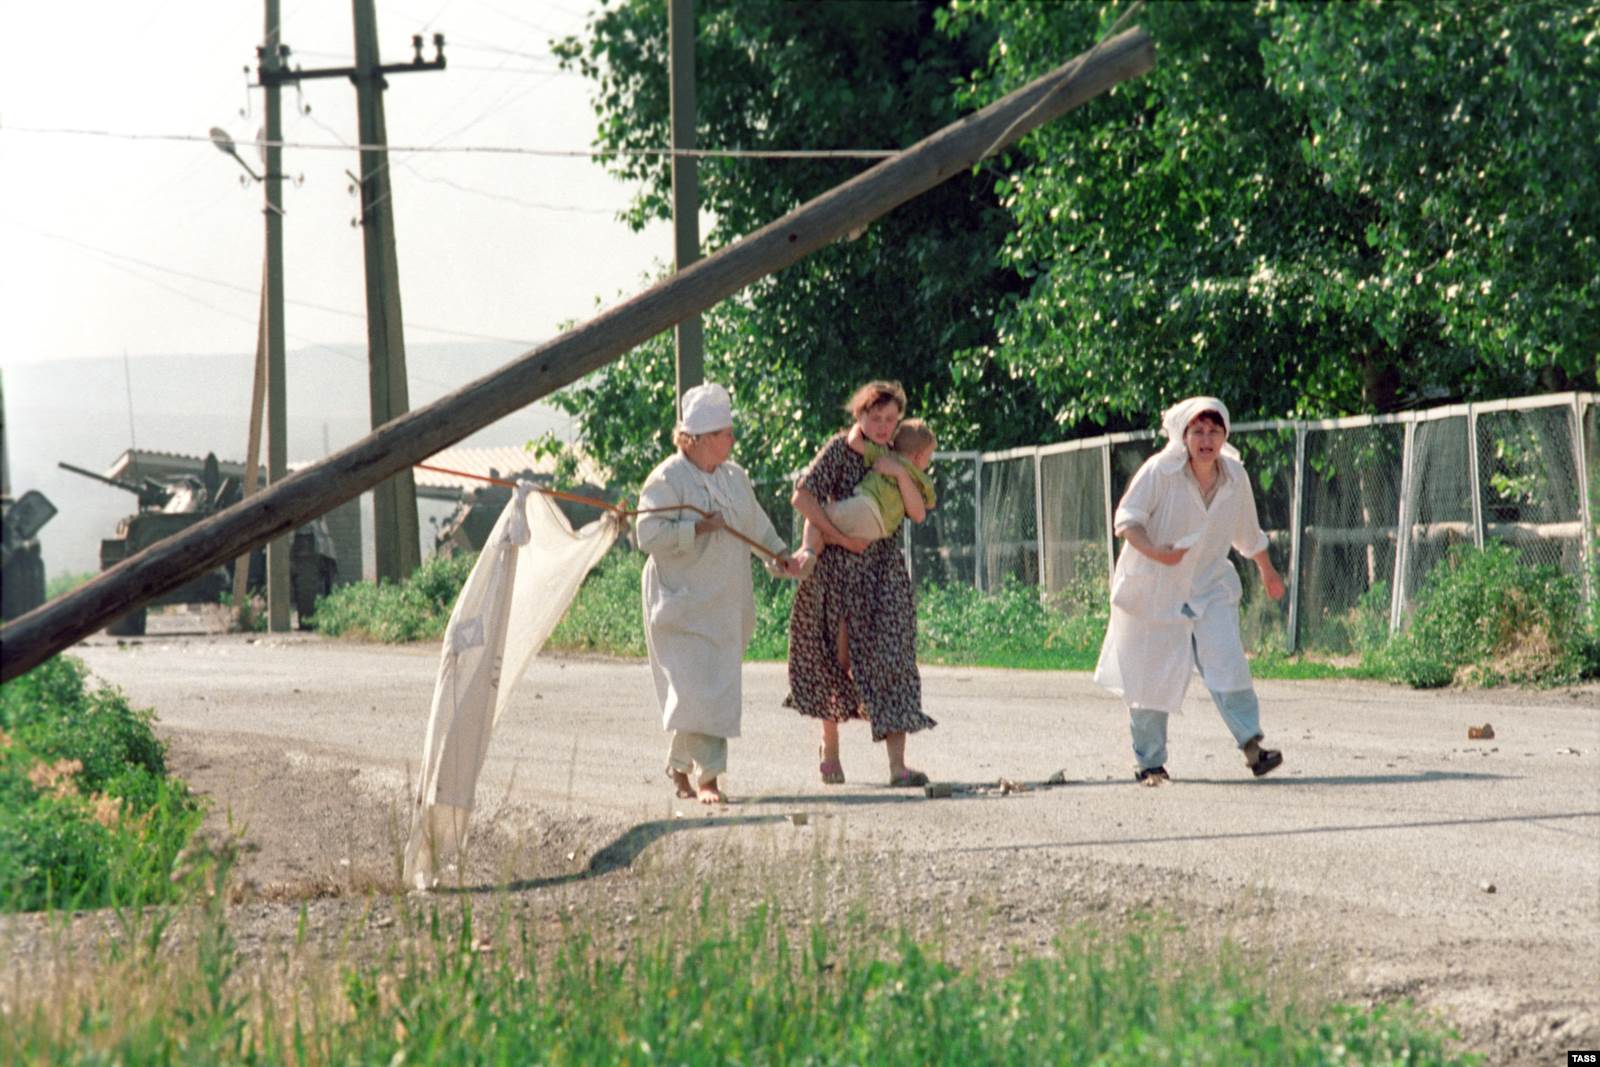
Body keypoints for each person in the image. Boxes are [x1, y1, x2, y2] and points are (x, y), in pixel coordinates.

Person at [1093, 396, 1287, 786]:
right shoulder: (1160, 472)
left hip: (1210, 584)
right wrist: (1156, 554)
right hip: (1155, 587)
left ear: (1224, 435)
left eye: (1214, 431)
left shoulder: (1234, 477)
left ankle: (1253, 747)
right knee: (1152, 674)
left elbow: (1247, 533)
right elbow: (1126, 522)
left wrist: (1267, 572)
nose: (1206, 439)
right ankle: (1150, 762)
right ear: (1184, 435)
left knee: (1227, 659)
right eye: (1198, 430)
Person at [636, 382, 799, 805]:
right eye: (725, 434)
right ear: (699, 439)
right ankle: (709, 777)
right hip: (681, 601)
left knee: (712, 687)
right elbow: (646, 533)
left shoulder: (735, 477)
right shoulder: (667, 478)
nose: (732, 440)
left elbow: (756, 524)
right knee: (696, 688)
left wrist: (778, 553)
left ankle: (678, 765)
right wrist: (696, 528)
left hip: (725, 600)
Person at [787, 381, 937, 787]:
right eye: (876, 418)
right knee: (834, 662)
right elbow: (803, 498)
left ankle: (897, 766)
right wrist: (836, 539)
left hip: (882, 572)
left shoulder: (897, 455)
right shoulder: (839, 449)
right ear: (860, 415)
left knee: (894, 659)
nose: (884, 426)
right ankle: (830, 748)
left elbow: (917, 510)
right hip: (836, 569)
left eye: (891, 419)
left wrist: (899, 473)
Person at [790, 418, 937, 578]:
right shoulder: (923, 481)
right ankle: (805, 558)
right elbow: (929, 504)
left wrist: (859, 423)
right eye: (928, 458)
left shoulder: (886, 456)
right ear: (918, 456)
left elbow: (854, 441)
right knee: (826, 535)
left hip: (866, 508)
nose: (928, 463)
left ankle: (805, 552)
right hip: (882, 529)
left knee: (817, 517)